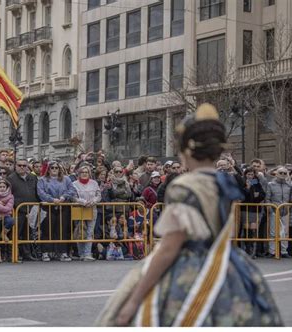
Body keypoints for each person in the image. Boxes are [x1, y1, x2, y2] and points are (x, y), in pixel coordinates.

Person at [96, 103, 282, 327]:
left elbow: (168, 248)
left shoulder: (185, 186)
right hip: (229, 268)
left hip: (190, 272)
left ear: (186, 149)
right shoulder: (225, 182)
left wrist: (134, 300)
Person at [37, 161, 77, 262]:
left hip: (63, 206)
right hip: (48, 207)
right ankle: (46, 252)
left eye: (56, 168)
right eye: (52, 168)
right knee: (47, 229)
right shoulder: (42, 180)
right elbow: (40, 192)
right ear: (48, 169)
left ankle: (62, 252)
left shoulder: (66, 179)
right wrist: (52, 200)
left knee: (62, 230)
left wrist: (64, 197)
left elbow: (72, 190)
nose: (54, 169)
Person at [7, 159, 40, 261]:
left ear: (27, 167)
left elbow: (37, 192)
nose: (22, 167)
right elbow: (8, 194)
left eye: (24, 165)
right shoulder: (11, 178)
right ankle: (12, 254)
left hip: (31, 209)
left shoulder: (33, 177)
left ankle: (27, 254)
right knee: (15, 233)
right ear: (15, 166)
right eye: (19, 165)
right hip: (17, 209)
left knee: (28, 233)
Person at [73, 166, 102, 261]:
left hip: (92, 209)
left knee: (89, 232)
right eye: (82, 172)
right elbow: (73, 197)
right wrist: (83, 202)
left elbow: (98, 195)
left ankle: (87, 254)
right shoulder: (74, 184)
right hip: (79, 209)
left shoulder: (94, 183)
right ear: (79, 174)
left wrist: (93, 201)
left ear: (89, 173)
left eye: (86, 172)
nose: (85, 174)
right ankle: (81, 254)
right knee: (80, 231)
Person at [265, 166, 292, 258]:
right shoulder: (270, 184)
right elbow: (267, 198)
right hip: (274, 210)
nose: (282, 175)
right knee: (273, 232)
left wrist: (289, 208)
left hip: (285, 211)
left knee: (285, 232)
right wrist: (269, 208)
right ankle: (272, 251)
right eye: (280, 173)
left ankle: (284, 251)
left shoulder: (289, 185)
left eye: (285, 173)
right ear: (276, 174)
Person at [240, 167, 266, 259]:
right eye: (248, 174)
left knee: (253, 230)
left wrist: (257, 196)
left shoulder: (256, 182)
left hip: (255, 210)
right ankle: (247, 249)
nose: (250, 176)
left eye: (252, 174)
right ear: (245, 175)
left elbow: (263, 194)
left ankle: (253, 250)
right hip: (245, 210)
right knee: (246, 230)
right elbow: (242, 196)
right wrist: (247, 189)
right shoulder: (243, 183)